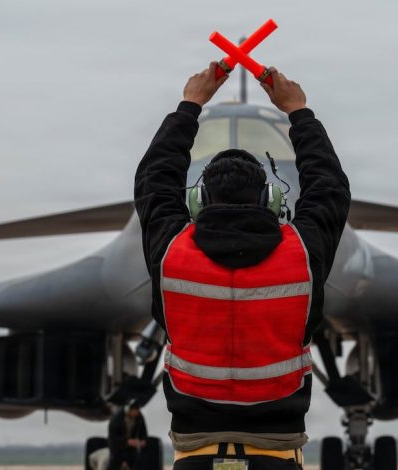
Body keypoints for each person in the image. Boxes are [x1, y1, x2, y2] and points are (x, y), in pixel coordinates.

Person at [134, 62, 351, 470]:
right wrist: (298, 110)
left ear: (197, 202)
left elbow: (154, 181)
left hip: (193, 456)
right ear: (272, 200)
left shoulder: (172, 256)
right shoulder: (302, 258)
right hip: (279, 455)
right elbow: (329, 188)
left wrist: (190, 104)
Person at [106, 401, 148, 470]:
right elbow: (112, 439)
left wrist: (143, 441)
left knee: (138, 463)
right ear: (129, 409)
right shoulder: (116, 419)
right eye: (135, 411)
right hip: (117, 450)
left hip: (132, 450)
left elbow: (143, 432)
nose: (136, 413)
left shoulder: (139, 417)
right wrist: (127, 442)